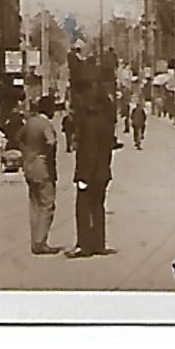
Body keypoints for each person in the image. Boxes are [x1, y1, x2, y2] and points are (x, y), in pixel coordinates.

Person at [70, 88, 116, 257]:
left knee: (83, 207)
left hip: (88, 173)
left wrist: (83, 176)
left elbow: (90, 151)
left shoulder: (89, 123)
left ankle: (84, 245)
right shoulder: (106, 123)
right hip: (103, 173)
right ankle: (99, 243)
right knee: (98, 207)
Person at [21, 96, 62, 254]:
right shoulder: (46, 125)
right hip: (43, 168)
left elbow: (20, 138)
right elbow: (50, 142)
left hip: (29, 167)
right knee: (47, 205)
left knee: (34, 205)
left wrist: (28, 154)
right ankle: (40, 242)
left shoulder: (30, 122)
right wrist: (46, 157)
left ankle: (35, 240)